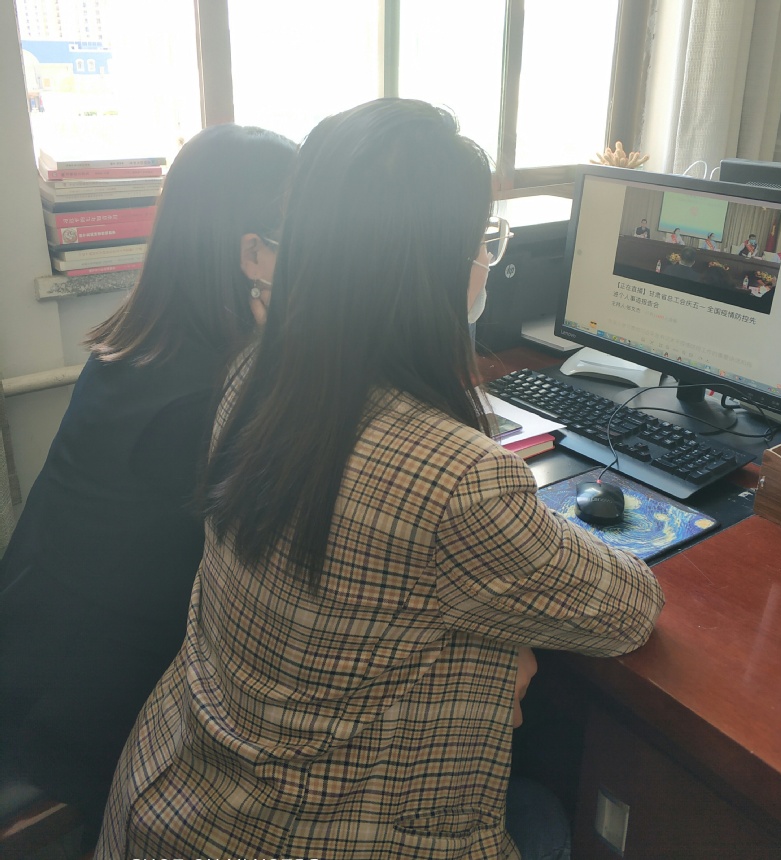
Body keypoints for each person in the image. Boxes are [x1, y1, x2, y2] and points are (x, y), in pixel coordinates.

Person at [97, 99, 664, 860]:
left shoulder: (251, 377)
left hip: (175, 800)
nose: (486, 261)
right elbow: (626, 611)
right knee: (552, 818)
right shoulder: (457, 479)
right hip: (319, 836)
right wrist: (508, 639)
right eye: (482, 242)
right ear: (435, 269)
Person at [0, 123, 297, 846]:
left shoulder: (137, 346)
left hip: (32, 656)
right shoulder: (210, 397)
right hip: (98, 713)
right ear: (251, 252)